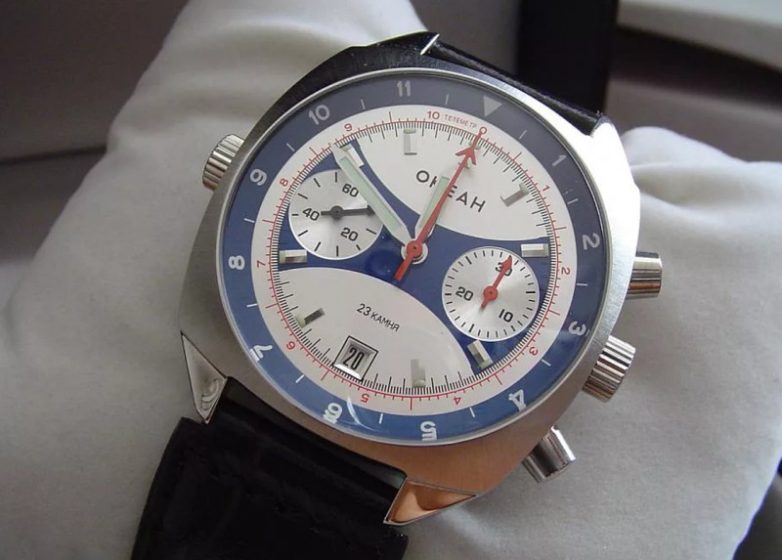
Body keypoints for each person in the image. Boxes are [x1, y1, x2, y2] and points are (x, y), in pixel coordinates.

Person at [1, 1, 780, 558]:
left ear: (592, 352)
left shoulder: (591, 204)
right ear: (233, 168)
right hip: (241, 393)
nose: (413, 253)